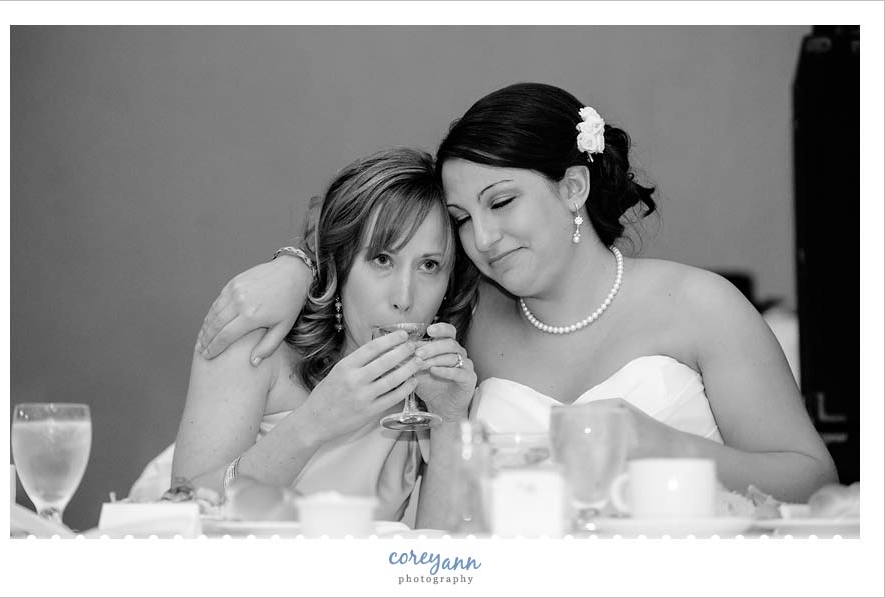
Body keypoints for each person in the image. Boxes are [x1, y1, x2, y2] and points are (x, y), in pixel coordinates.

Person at [193, 83, 837, 504]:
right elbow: (385, 259)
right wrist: (298, 266)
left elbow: (815, 481)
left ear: (573, 189)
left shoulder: (701, 305)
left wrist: (658, 447)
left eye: (501, 201)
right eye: (466, 218)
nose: (486, 237)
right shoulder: (468, 317)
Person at [134, 148, 480, 523]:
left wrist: (449, 420)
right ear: (340, 263)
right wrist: (315, 421)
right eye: (382, 259)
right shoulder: (257, 343)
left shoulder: (435, 383)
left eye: (430, 265)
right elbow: (180, 519)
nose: (404, 298)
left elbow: (434, 562)